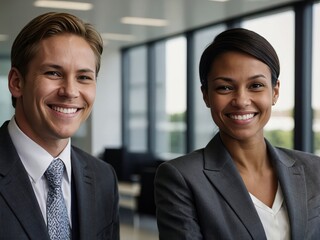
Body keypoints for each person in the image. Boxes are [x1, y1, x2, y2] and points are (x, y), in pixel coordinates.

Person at [154, 28, 320, 240]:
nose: (241, 101)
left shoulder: (315, 170)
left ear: (275, 92)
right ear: (206, 95)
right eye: (224, 87)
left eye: (256, 86)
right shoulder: (181, 178)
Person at [0, 12, 119, 239]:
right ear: (17, 82)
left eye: (84, 77)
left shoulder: (103, 177)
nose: (70, 92)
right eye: (53, 73)